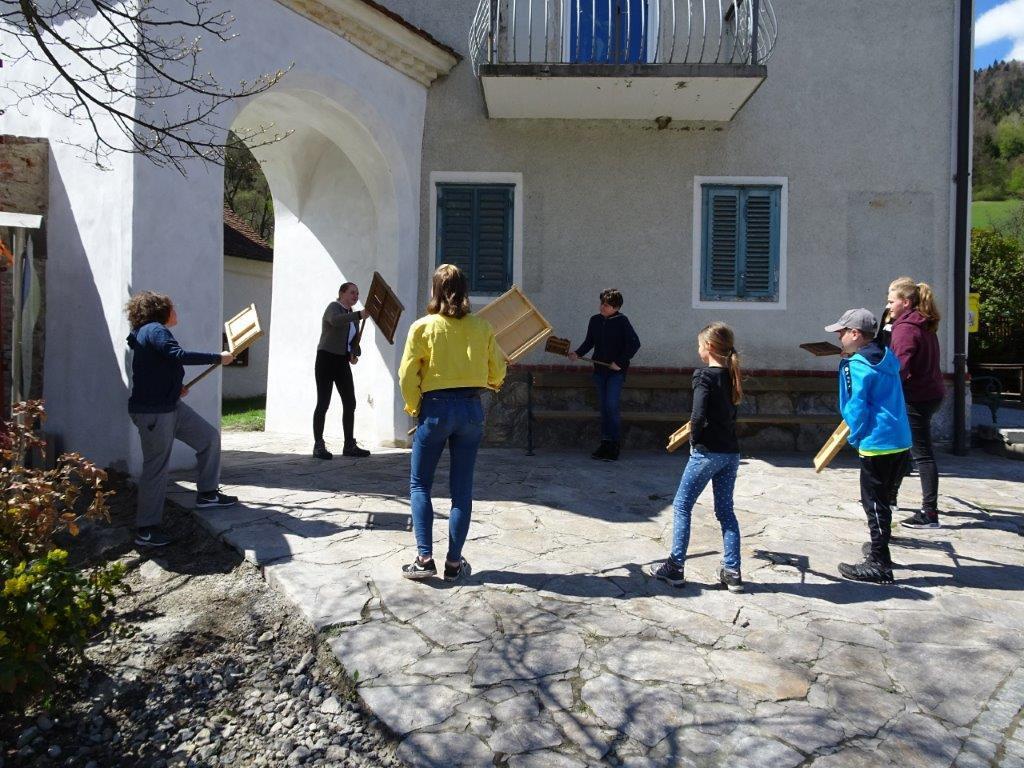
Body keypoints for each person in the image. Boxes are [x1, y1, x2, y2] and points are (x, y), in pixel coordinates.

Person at [397, 264, 506, 582]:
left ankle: (424, 559)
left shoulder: (423, 327)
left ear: (435, 290)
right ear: (465, 290)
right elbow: (498, 371)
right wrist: (492, 381)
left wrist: (414, 406)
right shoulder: (482, 327)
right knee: (462, 490)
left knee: (420, 484)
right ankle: (454, 563)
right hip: (471, 409)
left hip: (435, 409)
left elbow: (407, 374)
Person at [126, 291, 237, 548]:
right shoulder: (155, 329)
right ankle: (146, 530)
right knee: (156, 467)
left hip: (170, 405)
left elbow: (156, 366)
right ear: (160, 310)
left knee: (208, 438)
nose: (176, 312)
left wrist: (174, 386)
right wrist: (217, 358)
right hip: (155, 413)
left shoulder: (147, 332)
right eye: (172, 308)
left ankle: (207, 494)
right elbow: (177, 355)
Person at [649, 323, 745, 592]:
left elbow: (698, 414)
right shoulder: (731, 374)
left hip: (706, 452)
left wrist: (694, 442)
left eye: (699, 345)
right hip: (730, 452)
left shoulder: (703, 376)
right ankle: (732, 571)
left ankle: (675, 567)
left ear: (709, 347)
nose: (698, 349)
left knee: (682, 506)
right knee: (726, 512)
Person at [825, 308, 912, 584]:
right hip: (899, 439)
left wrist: (855, 437)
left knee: (874, 503)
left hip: (877, 442)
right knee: (884, 500)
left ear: (855, 334)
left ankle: (879, 563)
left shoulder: (855, 365)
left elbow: (855, 407)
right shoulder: (887, 356)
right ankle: (878, 548)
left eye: (841, 332)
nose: (838, 337)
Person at [887, 277, 945, 529]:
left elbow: (899, 367)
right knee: (903, 447)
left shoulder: (906, 328)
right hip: (930, 393)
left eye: (891, 301)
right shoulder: (923, 323)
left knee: (922, 454)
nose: (888, 306)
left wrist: (884, 392)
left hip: (916, 396)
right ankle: (890, 497)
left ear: (906, 302)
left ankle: (929, 513)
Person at [567, 289, 641, 461]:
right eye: (602, 303)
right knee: (604, 408)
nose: (602, 307)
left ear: (616, 307)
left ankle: (614, 445)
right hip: (599, 371)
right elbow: (589, 342)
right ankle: (605, 443)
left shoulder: (622, 321)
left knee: (611, 406)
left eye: (606, 305)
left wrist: (619, 362)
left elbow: (634, 344)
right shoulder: (595, 320)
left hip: (615, 372)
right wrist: (577, 353)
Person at [313, 282, 370, 459]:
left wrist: (354, 353)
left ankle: (349, 445)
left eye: (357, 293)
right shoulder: (334, 307)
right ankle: (318, 445)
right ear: (341, 293)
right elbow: (335, 321)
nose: (356, 296)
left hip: (341, 361)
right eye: (352, 292)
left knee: (350, 402)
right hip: (326, 359)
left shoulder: (352, 316)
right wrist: (359, 314)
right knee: (323, 402)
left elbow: (352, 342)